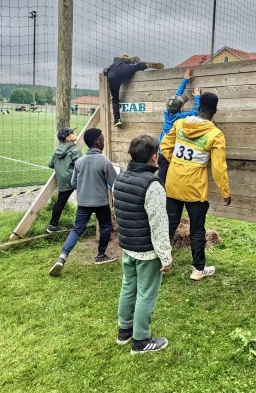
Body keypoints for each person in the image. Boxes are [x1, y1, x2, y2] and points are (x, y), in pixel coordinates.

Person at [161, 92, 231, 281]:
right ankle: (198, 269)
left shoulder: (179, 124)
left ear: (199, 108)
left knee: (169, 223)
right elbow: (218, 168)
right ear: (214, 111)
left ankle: (159, 261)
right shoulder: (215, 134)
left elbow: (165, 148)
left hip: (173, 183)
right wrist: (225, 191)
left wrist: (176, 164)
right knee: (197, 228)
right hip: (195, 189)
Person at [113, 134, 172, 354]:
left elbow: (120, 212)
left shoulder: (120, 178)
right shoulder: (153, 184)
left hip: (128, 245)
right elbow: (159, 224)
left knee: (128, 287)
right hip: (147, 250)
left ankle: (124, 331)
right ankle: (141, 340)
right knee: (146, 293)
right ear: (155, 156)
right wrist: (165, 255)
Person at [49, 128, 117, 276]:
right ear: (98, 142)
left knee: (77, 229)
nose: (103, 141)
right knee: (105, 227)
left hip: (83, 202)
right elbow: (114, 183)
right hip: (101, 203)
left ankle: (62, 256)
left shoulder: (80, 162)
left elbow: (74, 182)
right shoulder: (104, 161)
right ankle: (100, 255)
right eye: (103, 139)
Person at [157, 68, 201, 183]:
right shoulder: (179, 117)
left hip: (161, 151)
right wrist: (197, 96)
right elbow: (196, 113)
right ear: (181, 108)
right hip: (169, 152)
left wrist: (185, 80)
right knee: (166, 179)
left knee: (163, 176)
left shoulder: (167, 112)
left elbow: (176, 95)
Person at [104, 54, 164, 127]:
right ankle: (146, 65)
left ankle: (117, 120)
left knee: (115, 99)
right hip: (124, 70)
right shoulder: (127, 61)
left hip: (112, 75)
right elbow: (135, 63)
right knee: (137, 66)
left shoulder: (113, 64)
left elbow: (105, 70)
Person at [46, 127, 82, 233]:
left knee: (60, 203)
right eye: (72, 133)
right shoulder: (75, 150)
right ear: (68, 138)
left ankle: (53, 225)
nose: (75, 133)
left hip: (62, 182)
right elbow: (81, 166)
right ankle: (80, 224)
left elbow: (50, 164)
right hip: (73, 180)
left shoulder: (58, 150)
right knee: (85, 199)